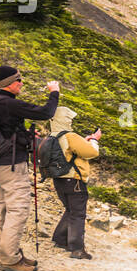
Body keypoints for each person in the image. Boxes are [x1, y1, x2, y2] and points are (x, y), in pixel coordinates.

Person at [0, 66, 58, 271]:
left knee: (5, 209)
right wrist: (54, 92)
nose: (21, 83)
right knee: (18, 210)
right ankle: (9, 259)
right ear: (9, 83)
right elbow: (46, 112)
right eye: (19, 80)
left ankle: (12, 253)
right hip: (12, 165)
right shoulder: (9, 103)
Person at [42, 106, 100, 259]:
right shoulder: (70, 136)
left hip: (58, 179)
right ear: (65, 119)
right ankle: (77, 249)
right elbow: (92, 152)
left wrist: (84, 141)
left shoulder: (52, 135)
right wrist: (94, 140)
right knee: (78, 214)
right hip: (74, 180)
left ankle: (60, 239)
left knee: (70, 209)